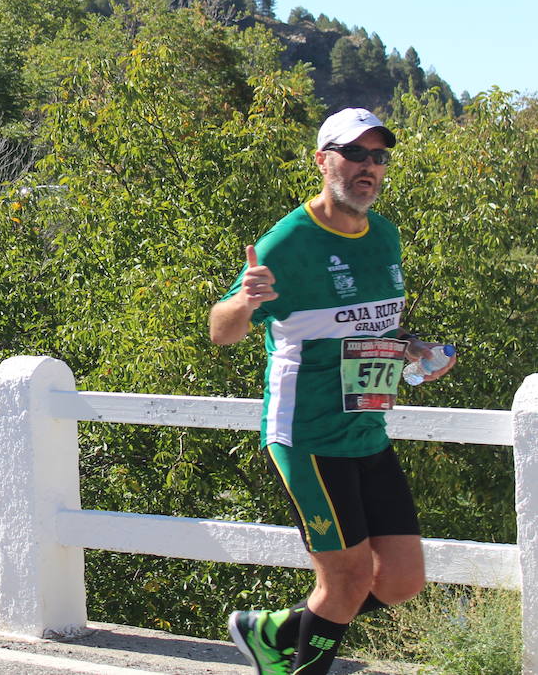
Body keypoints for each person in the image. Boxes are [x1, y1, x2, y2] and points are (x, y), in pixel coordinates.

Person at [209, 108, 455, 675]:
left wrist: (414, 352)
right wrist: (245, 301)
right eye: (355, 154)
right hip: (308, 434)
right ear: (323, 161)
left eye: (379, 156)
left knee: (400, 580)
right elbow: (221, 333)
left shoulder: (385, 235)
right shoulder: (287, 242)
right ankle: (290, 662)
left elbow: (374, 328)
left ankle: (273, 631)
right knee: (343, 581)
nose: (369, 167)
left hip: (367, 428)